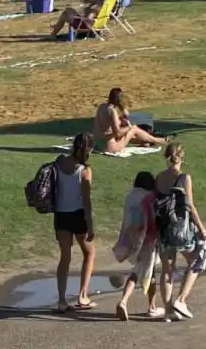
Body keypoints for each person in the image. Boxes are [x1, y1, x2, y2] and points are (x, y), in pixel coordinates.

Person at [155, 142, 206, 321]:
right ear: (182, 158)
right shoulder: (184, 178)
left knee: (166, 269)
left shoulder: (159, 178)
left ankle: (168, 311)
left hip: (162, 228)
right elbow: (190, 206)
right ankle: (181, 300)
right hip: (181, 228)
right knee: (197, 259)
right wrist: (201, 228)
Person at [53, 132, 97, 313]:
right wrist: (91, 225)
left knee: (65, 258)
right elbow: (86, 202)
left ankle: (62, 300)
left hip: (60, 215)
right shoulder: (85, 171)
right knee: (90, 253)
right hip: (78, 215)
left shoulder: (60, 161)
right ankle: (82, 295)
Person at [113, 171, 163, 321]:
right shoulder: (149, 198)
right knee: (147, 272)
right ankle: (148, 307)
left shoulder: (130, 197)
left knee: (142, 270)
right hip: (148, 240)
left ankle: (137, 304)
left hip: (134, 239)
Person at [93, 87, 165, 153]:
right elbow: (118, 134)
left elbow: (109, 124)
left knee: (129, 130)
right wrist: (129, 127)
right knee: (133, 128)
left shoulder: (102, 106)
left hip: (99, 144)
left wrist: (122, 119)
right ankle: (159, 140)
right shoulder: (112, 111)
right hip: (110, 148)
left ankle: (145, 142)